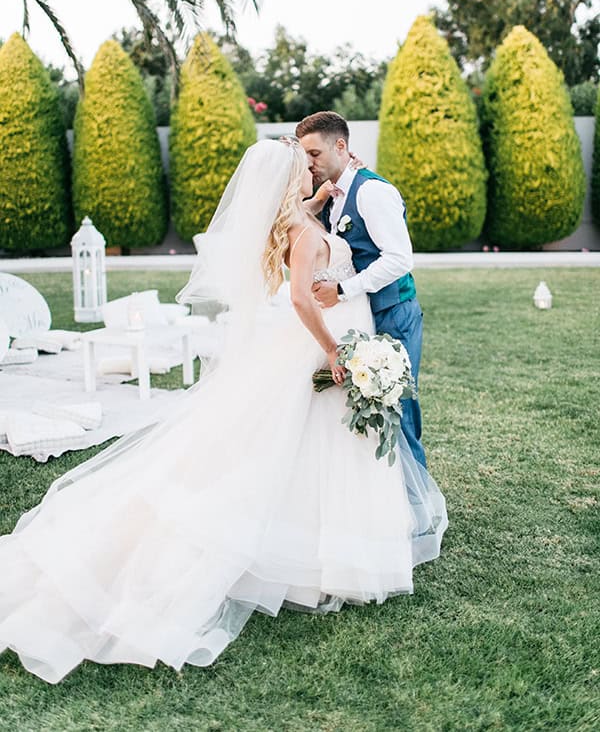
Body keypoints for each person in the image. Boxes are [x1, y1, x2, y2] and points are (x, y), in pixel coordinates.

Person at [0, 139, 447, 684]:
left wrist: (318, 198)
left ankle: (324, 550)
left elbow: (302, 223)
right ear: (289, 182)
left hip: (314, 340)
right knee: (315, 447)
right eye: (302, 166)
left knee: (309, 447)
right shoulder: (305, 234)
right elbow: (306, 300)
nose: (310, 169)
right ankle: (329, 557)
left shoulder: (293, 221)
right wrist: (335, 351)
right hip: (321, 344)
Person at [296, 111, 427, 468]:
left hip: (393, 313)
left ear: (341, 146)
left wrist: (342, 289)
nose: (308, 164)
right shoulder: (333, 194)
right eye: (304, 155)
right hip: (361, 317)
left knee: (399, 411)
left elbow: (400, 259)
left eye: (314, 154)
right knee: (371, 416)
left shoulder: (372, 192)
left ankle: (416, 507)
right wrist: (320, 200)